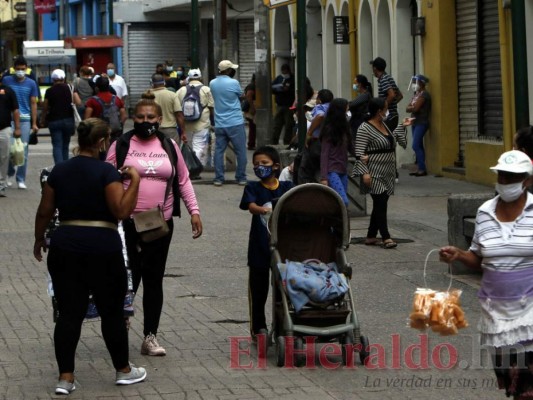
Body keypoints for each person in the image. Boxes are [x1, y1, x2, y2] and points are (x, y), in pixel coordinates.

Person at [33, 118, 146, 394]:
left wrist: (39, 238)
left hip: (65, 244)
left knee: (69, 313)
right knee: (111, 312)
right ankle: (123, 370)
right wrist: (135, 181)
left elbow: (45, 211)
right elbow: (121, 210)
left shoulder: (58, 171)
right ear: (101, 142)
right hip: (102, 246)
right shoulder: (106, 173)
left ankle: (66, 378)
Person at [106, 91, 203, 356]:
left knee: (154, 280)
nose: (145, 120)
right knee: (128, 279)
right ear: (133, 118)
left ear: (160, 119)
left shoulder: (169, 146)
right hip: (126, 225)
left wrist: (194, 211)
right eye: (140, 116)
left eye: (150, 117)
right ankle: (120, 328)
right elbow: (106, 179)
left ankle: (150, 337)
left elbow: (183, 180)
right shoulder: (121, 145)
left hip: (160, 225)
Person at [439, 150, 533, 400]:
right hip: (497, 318)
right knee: (513, 386)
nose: (505, 182)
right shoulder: (484, 212)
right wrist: (458, 254)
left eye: (512, 177)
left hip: (531, 314)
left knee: (527, 390)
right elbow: (478, 259)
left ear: (527, 180)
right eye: (502, 176)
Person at [239, 146, 293, 339]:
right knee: (258, 289)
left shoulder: (286, 187)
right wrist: (262, 210)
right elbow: (251, 206)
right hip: (259, 246)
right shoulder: (252, 187)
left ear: (276, 166)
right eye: (256, 164)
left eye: (264, 163)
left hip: (282, 246)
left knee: (283, 288)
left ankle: (282, 324)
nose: (260, 167)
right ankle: (258, 328)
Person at [352, 97, 412, 249]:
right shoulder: (364, 128)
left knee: (381, 203)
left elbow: (390, 139)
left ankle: (371, 236)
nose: (388, 111)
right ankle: (386, 236)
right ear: (379, 111)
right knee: (380, 203)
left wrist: (402, 126)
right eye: (386, 108)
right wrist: (365, 173)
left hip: (388, 171)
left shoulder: (383, 124)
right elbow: (359, 152)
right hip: (373, 171)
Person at [2, 56, 39, 189]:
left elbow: (33, 103)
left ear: (26, 69)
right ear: (14, 68)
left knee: (23, 150)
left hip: (25, 120)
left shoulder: (31, 83)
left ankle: (21, 178)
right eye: (17, 69)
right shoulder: (6, 80)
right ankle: (9, 173)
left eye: (22, 69)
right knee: (9, 150)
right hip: (8, 120)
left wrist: (35, 123)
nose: (20, 72)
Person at [209, 60, 248, 186]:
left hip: (220, 123)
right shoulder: (234, 82)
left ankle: (219, 178)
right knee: (240, 151)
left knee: (219, 151)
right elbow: (241, 96)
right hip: (235, 122)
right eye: (232, 69)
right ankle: (241, 177)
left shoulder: (212, 83)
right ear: (229, 70)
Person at [176, 68, 214, 177]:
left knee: (187, 145)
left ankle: (185, 169)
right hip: (202, 123)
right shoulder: (206, 89)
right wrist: (212, 121)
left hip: (185, 124)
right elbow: (211, 107)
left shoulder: (181, 90)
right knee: (199, 146)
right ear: (201, 77)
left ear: (189, 77)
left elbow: (177, 109)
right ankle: (195, 171)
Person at [319, 98, 353, 206]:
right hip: (331, 171)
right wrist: (324, 177)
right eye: (346, 108)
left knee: (338, 201)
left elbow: (351, 148)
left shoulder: (345, 128)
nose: (348, 110)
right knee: (344, 201)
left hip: (343, 170)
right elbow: (324, 154)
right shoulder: (329, 130)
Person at [297, 89, 334, 184]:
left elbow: (320, 116)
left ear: (320, 100)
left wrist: (309, 133)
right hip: (332, 144)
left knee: (304, 171)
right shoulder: (335, 108)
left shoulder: (320, 107)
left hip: (317, 142)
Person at [40, 69, 75, 164]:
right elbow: (78, 102)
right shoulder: (70, 88)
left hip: (54, 120)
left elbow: (45, 107)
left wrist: (42, 119)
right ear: (63, 78)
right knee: (65, 145)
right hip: (68, 119)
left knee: (57, 145)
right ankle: (66, 167)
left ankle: (59, 167)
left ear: (53, 79)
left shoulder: (49, 91)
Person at [0, 68, 20, 197]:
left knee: (4, 157)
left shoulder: (8, 90)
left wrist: (17, 127)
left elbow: (16, 110)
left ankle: (1, 185)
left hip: (4, 129)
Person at [406, 74, 431, 177]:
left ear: (421, 83)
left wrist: (412, 107)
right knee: (418, 145)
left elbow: (415, 109)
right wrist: (412, 107)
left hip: (422, 122)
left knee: (415, 145)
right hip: (415, 122)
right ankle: (420, 168)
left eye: (416, 82)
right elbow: (407, 108)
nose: (414, 84)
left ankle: (422, 169)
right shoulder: (417, 95)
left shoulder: (424, 95)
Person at [370, 57, 403, 132]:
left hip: (389, 117)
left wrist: (384, 108)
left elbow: (391, 95)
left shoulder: (383, 79)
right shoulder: (388, 77)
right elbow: (400, 95)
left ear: (375, 68)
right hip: (393, 115)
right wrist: (392, 104)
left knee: (385, 140)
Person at [149, 73, 181, 143]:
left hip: (152, 129)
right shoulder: (172, 95)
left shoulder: (146, 96)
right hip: (170, 131)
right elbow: (179, 114)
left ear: (151, 83)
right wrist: (183, 132)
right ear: (164, 82)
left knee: (154, 152)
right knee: (172, 152)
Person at [271, 64, 296, 145]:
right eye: (282, 71)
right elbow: (272, 88)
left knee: (289, 125)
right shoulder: (279, 78)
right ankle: (274, 141)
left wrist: (287, 90)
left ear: (288, 71)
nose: (284, 73)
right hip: (279, 105)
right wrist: (278, 89)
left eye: (285, 71)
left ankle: (287, 142)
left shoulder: (293, 79)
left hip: (289, 105)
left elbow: (294, 91)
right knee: (277, 125)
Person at [349, 74, 372, 142]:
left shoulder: (365, 95)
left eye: (355, 83)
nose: (354, 85)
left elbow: (352, 104)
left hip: (359, 122)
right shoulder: (362, 95)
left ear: (360, 84)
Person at [243, 74, 256, 150]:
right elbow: (249, 96)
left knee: (253, 126)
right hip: (251, 109)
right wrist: (252, 107)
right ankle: (251, 144)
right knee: (252, 126)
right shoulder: (251, 86)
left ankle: (251, 143)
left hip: (252, 107)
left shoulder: (252, 85)